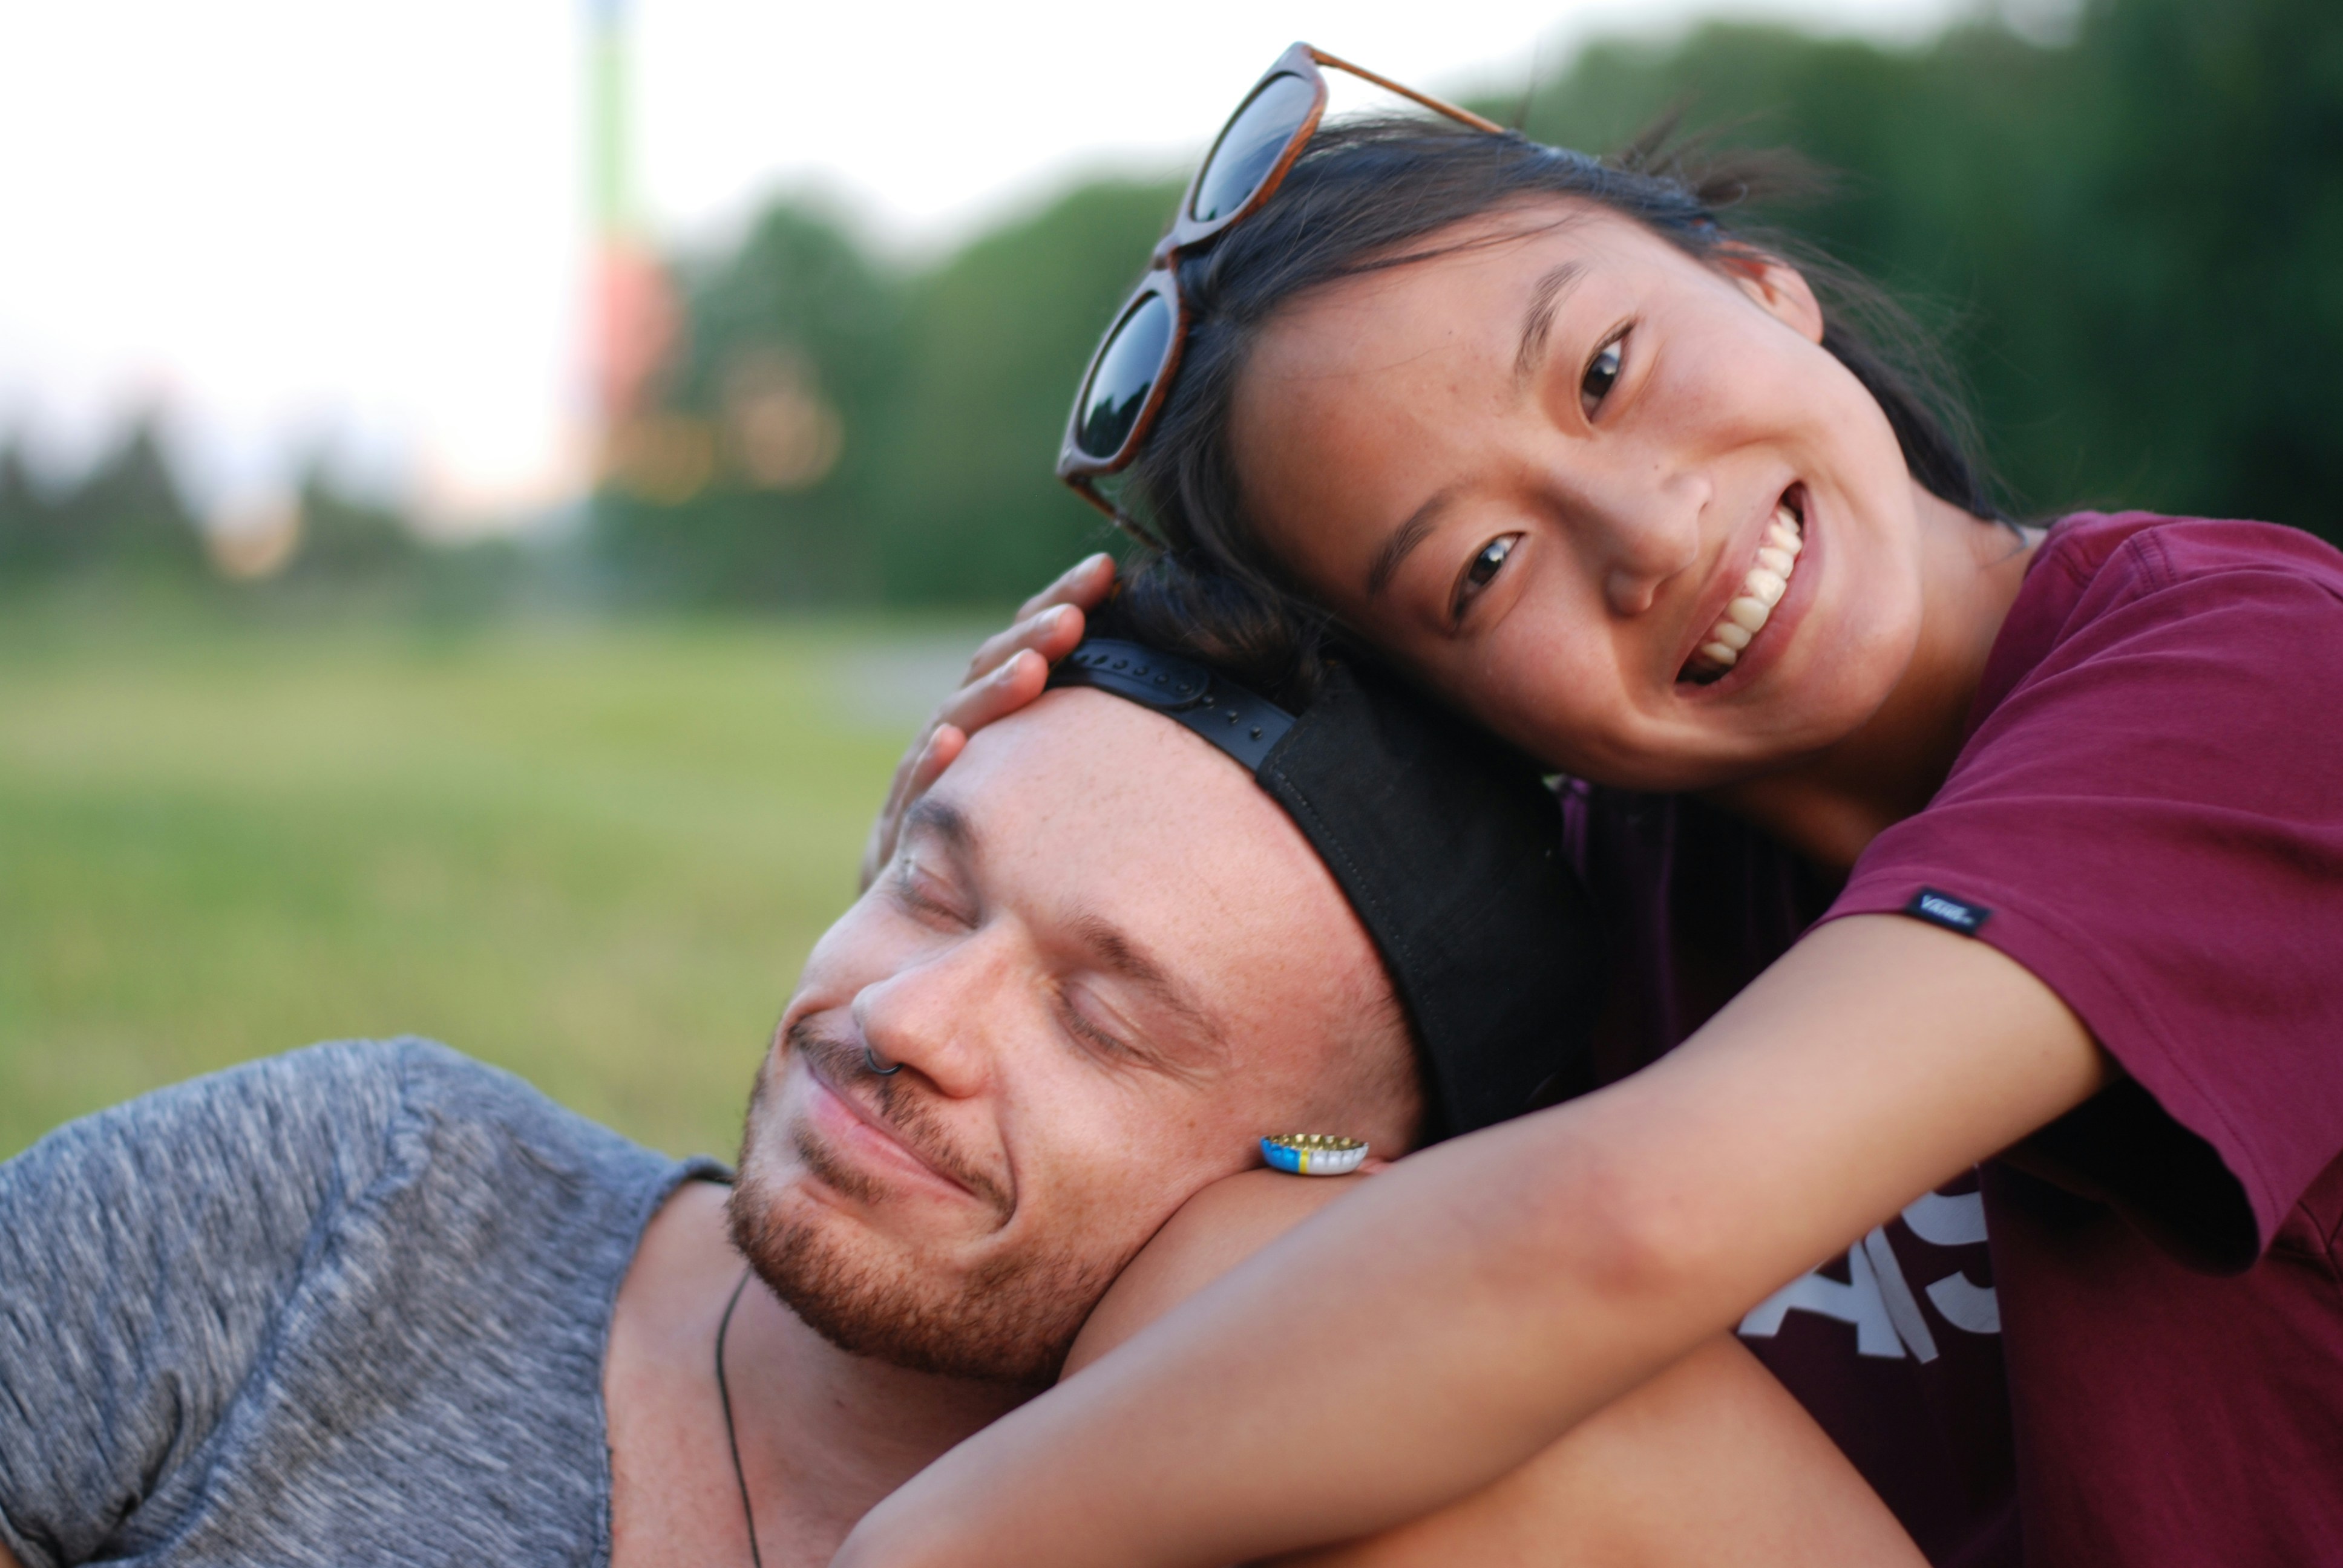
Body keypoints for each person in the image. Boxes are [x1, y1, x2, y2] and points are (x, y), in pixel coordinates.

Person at [833, 52, 2343, 1568]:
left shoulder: (2251, 673)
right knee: (1244, 1263)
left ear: (1759, 286)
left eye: (1605, 372)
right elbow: (1276, 1165)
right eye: (1482, 570)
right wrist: (944, 876)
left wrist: (937, 1543)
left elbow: (1632, 1225)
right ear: (1460, 704)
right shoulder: (1614, 901)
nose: (1646, 534)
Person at [0, 624, 1930, 1568]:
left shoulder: (1381, 1526)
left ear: (1343, 1174)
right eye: (932, 879)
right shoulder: (358, 1199)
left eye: (1112, 1018)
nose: (908, 1015)